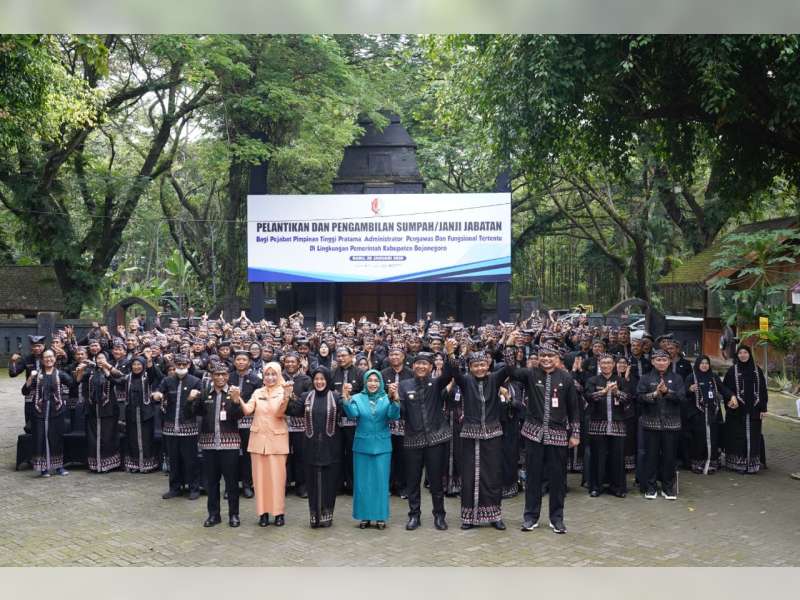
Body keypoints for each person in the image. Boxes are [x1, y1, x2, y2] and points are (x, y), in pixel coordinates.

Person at [511, 343, 581, 534]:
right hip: (533, 433)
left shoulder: (566, 377)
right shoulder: (531, 374)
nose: (546, 359)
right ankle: (530, 517)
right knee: (533, 477)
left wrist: (575, 433)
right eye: (543, 355)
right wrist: (510, 344)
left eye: (550, 355)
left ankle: (556, 518)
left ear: (557, 358)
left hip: (558, 435)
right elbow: (511, 370)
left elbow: (574, 408)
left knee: (558, 479)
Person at [392, 340, 457, 531]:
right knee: (413, 481)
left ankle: (439, 515)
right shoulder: (404, 386)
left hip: (436, 439)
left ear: (430, 367)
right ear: (413, 366)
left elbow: (452, 374)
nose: (421, 366)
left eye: (425, 364)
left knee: (436, 481)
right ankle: (414, 516)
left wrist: (450, 355)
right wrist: (395, 400)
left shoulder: (436, 383)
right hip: (412, 440)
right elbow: (401, 412)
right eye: (418, 363)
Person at [451, 351, 513, 530]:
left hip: (492, 434)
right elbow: (454, 371)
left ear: (488, 365)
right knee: (469, 475)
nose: (479, 368)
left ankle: (495, 515)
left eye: (483, 365)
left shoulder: (494, 379)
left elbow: (509, 368)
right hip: (470, 434)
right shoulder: (466, 381)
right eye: (476, 366)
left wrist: (508, 344)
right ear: (470, 368)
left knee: (493, 475)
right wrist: (450, 353)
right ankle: (469, 517)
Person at [285, 366, 343, 528]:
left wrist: (347, 397)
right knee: (312, 482)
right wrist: (288, 396)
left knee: (329, 482)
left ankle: (326, 514)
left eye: (322, 379)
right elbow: (294, 411)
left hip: (331, 447)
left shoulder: (335, 396)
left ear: (328, 380)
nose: (319, 382)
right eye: (316, 379)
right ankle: (314, 514)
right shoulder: (306, 396)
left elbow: (347, 412)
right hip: (310, 446)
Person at [187, 363, 244, 527]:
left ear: (228, 376)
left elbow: (239, 416)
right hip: (209, 445)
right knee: (212, 482)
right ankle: (214, 515)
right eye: (216, 374)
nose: (220, 377)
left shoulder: (234, 392)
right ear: (211, 376)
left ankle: (234, 515)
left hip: (230, 445)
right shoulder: (205, 393)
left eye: (223, 374)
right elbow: (190, 413)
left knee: (231, 482)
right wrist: (190, 400)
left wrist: (235, 402)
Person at [342, 369, 400, 530]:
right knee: (362, 483)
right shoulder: (357, 398)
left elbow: (394, 416)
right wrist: (345, 399)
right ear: (365, 382)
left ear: (380, 382)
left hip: (382, 447)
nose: (372, 383)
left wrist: (395, 400)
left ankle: (380, 517)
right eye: (370, 380)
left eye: (376, 380)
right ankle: (364, 516)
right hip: (362, 446)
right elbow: (352, 415)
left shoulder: (386, 398)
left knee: (380, 483)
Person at [240, 362, 293, 527]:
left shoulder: (284, 390)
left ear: (279, 375)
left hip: (277, 441)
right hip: (257, 441)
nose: (270, 377)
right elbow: (248, 410)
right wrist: (238, 399)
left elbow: (279, 414)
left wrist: (286, 397)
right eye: (267, 374)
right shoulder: (257, 392)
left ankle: (278, 513)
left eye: (273, 374)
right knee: (259, 480)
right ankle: (262, 513)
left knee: (277, 479)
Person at [152, 354, 203, 499]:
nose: (181, 368)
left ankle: (194, 488)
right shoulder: (167, 380)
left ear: (188, 365)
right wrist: (157, 395)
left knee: (190, 460)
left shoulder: (196, 381)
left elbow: (201, 402)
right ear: (174, 365)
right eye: (178, 365)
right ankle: (175, 488)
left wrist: (195, 397)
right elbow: (158, 393)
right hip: (170, 427)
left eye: (184, 365)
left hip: (189, 428)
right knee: (173, 459)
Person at [636, 349, 685, 499]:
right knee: (651, 456)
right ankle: (651, 487)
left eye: (664, 360)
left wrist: (667, 391)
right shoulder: (645, 378)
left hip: (671, 424)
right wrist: (655, 394)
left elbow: (682, 398)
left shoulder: (677, 378)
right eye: (658, 360)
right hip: (651, 424)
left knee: (669, 457)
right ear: (652, 362)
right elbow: (638, 397)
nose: (661, 363)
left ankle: (667, 487)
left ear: (669, 362)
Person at [584, 354, 631, 498]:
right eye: (603, 363)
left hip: (617, 424)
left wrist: (617, 392)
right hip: (598, 423)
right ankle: (596, 487)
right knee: (598, 456)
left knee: (617, 456)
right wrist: (603, 392)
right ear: (599, 364)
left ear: (614, 364)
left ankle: (617, 487)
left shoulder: (621, 380)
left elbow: (628, 399)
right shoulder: (593, 380)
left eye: (609, 363)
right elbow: (588, 397)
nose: (606, 365)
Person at [23, 349, 72, 477]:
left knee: (56, 437)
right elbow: (25, 391)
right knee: (41, 437)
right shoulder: (37, 374)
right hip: (39, 411)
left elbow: (73, 383)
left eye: (51, 357)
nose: (48, 359)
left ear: (55, 359)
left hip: (57, 411)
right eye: (46, 357)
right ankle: (43, 468)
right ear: (42, 360)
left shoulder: (60, 374)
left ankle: (58, 466)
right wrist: (30, 378)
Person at [77, 350, 125, 473]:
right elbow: (77, 381)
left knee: (108, 437)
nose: (100, 360)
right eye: (98, 358)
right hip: (93, 410)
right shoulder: (90, 372)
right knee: (93, 438)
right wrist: (81, 369)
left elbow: (121, 378)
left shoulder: (111, 372)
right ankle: (95, 464)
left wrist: (107, 369)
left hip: (109, 410)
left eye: (103, 358)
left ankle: (109, 464)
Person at [722, 345, 768, 474]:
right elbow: (725, 389)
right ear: (737, 355)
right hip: (737, 411)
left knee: (753, 437)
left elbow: (763, 390)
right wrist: (731, 399)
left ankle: (752, 465)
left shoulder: (756, 370)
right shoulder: (732, 371)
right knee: (737, 436)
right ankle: (737, 465)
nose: (743, 355)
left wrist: (763, 408)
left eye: (745, 352)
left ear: (749, 354)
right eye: (740, 353)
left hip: (754, 410)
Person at [685, 355, 733, 474]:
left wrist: (732, 396)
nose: (704, 365)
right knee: (699, 438)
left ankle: (711, 463)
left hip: (712, 413)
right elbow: (683, 394)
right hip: (697, 413)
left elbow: (723, 389)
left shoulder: (713, 377)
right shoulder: (692, 377)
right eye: (702, 363)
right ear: (697, 365)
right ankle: (698, 463)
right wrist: (689, 390)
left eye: (706, 363)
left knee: (712, 438)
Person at [120, 353, 162, 473]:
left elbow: (158, 376)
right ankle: (134, 464)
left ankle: (147, 465)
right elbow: (116, 379)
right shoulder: (128, 377)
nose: (136, 367)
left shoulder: (148, 377)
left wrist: (150, 364)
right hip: (131, 413)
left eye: (139, 364)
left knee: (146, 439)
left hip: (146, 414)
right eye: (134, 364)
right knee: (132, 439)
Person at [229, 350, 262, 499]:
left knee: (248, 455)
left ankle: (248, 485)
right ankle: (232, 486)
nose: (241, 362)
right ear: (234, 361)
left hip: (249, 423)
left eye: (244, 360)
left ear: (249, 362)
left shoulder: (256, 380)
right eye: (238, 359)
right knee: (231, 455)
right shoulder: (229, 377)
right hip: (230, 423)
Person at [9, 334, 46, 433]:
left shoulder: (49, 356)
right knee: (29, 416)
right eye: (34, 346)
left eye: (39, 346)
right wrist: (13, 361)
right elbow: (13, 373)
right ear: (31, 347)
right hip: (31, 391)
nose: (37, 348)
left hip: (46, 390)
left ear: (44, 345)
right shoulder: (27, 358)